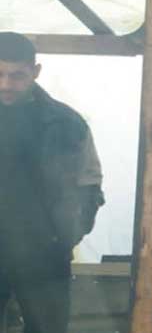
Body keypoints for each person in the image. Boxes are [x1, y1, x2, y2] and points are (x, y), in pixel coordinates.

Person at [0, 32, 104, 333]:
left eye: (17, 75)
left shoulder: (67, 124)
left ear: (35, 71)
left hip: (44, 255)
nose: (6, 84)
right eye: (0, 74)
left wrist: (64, 237)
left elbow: (89, 182)